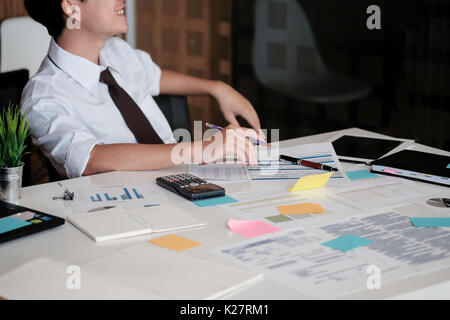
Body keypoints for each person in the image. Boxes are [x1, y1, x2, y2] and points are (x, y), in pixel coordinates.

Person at [21, 0, 264, 179]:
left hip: (191, 177)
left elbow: (156, 78)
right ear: (71, 6)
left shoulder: (117, 51)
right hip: (132, 208)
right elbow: (91, 159)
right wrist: (200, 149)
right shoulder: (43, 98)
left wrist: (216, 88)